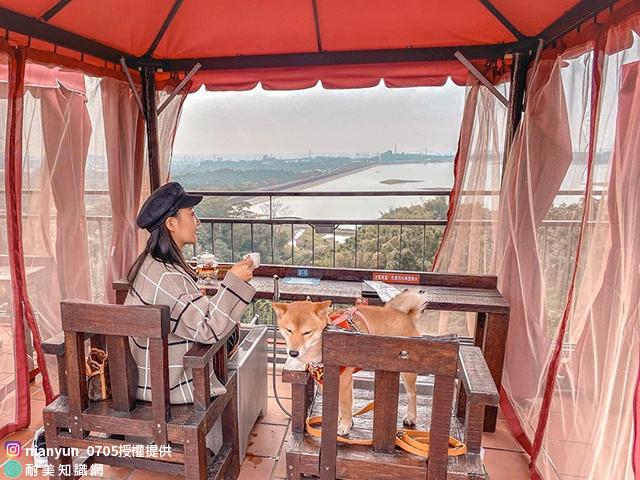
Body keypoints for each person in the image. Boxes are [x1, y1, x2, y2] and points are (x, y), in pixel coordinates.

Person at [125, 181, 256, 453]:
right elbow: (209, 330)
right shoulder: (170, 278)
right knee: (229, 334)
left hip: (145, 376)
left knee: (230, 330)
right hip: (169, 386)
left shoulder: (150, 263)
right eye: (192, 214)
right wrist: (233, 281)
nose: (198, 222)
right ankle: (223, 451)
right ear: (171, 224)